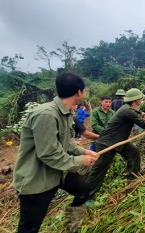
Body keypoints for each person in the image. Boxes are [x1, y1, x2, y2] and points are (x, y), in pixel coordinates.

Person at [13, 73, 98, 233]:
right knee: (29, 228)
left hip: (58, 172)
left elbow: (67, 143)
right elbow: (49, 154)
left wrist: (84, 151)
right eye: (84, 90)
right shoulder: (46, 114)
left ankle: (71, 228)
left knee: (84, 189)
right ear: (79, 92)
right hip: (37, 180)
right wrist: (80, 161)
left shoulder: (64, 113)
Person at [87, 88, 145, 200]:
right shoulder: (127, 111)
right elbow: (141, 122)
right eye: (140, 98)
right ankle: (87, 196)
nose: (142, 100)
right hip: (107, 143)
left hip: (118, 141)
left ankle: (132, 175)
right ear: (136, 100)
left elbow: (138, 115)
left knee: (133, 152)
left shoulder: (128, 108)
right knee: (100, 169)